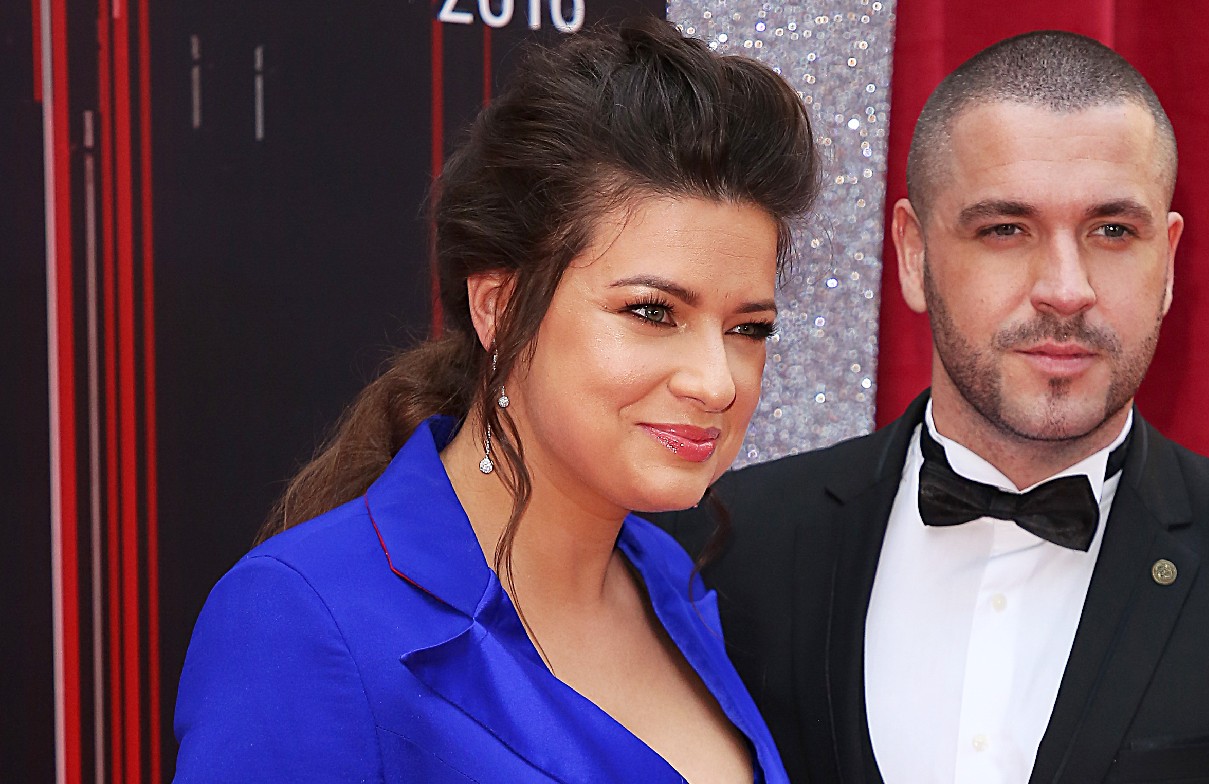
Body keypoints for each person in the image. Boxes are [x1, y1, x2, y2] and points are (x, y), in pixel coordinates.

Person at [649, 30, 1209, 783]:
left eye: (1112, 230)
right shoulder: (719, 549)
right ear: (913, 253)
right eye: (1006, 229)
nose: (1066, 290)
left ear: (1169, 261)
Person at [172, 17, 820, 783]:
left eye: (749, 327)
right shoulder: (308, 620)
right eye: (653, 312)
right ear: (499, 309)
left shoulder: (669, 581)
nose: (716, 381)